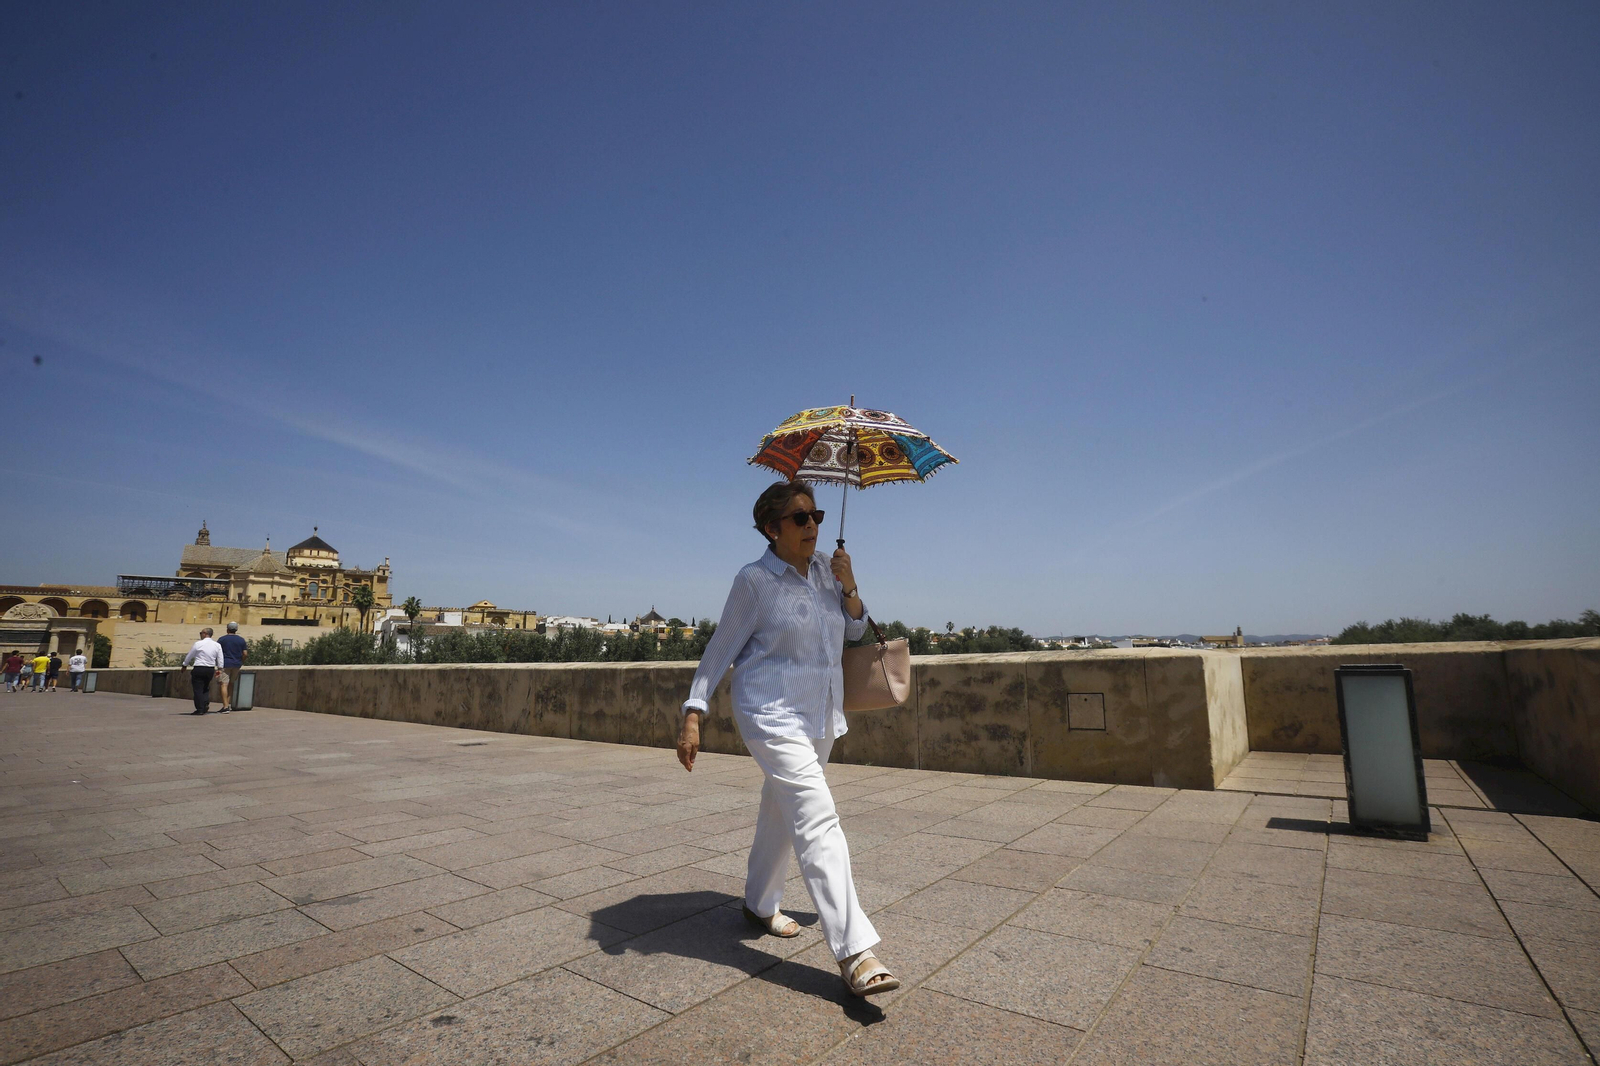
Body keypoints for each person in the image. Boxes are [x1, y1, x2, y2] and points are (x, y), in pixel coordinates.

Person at [678, 480, 899, 998]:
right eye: (800, 519)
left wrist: (849, 587)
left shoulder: (826, 570)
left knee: (782, 808)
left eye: (816, 516)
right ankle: (855, 951)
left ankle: (758, 902)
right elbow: (720, 648)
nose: (813, 526)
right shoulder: (754, 581)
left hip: (819, 713)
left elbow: (855, 632)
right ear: (771, 528)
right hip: (771, 713)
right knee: (817, 815)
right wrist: (694, 711)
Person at [180, 628, 225, 715]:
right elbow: (220, 658)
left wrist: (184, 665)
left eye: (201, 633)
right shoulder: (217, 645)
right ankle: (205, 704)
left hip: (199, 668)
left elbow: (190, 655)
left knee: (198, 689)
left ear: (205, 634)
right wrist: (220, 668)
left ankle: (200, 709)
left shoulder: (198, 644)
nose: (200, 634)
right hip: (210, 669)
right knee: (206, 687)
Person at [216, 622, 248, 712]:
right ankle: (227, 704)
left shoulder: (222, 640)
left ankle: (225, 706)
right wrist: (241, 661)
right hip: (236, 664)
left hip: (225, 664)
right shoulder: (241, 640)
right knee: (231, 684)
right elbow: (245, 653)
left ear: (227, 629)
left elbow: (217, 652)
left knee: (223, 684)